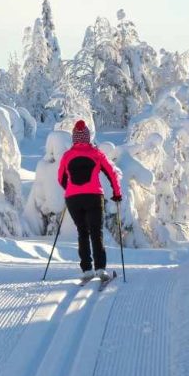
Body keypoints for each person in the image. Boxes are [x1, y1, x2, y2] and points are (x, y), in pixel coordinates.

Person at [57, 120, 122, 282]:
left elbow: (60, 178)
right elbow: (112, 173)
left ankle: (87, 269)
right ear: (87, 138)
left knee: (82, 232)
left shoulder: (67, 156)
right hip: (93, 197)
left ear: (74, 138)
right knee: (96, 232)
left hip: (73, 199)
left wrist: (70, 189)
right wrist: (117, 193)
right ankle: (100, 268)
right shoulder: (96, 154)